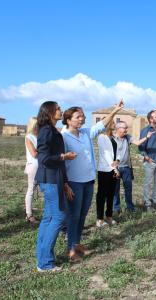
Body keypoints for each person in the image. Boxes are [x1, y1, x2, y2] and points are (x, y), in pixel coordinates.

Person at [61, 100, 124, 262]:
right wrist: (65, 183)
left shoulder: (85, 132)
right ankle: (70, 250)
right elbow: (60, 162)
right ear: (68, 120)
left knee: (82, 215)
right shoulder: (63, 136)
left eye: (82, 116)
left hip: (88, 180)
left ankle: (77, 243)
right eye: (77, 117)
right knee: (73, 215)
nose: (81, 119)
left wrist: (115, 110)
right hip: (74, 182)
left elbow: (101, 125)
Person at [35, 101, 77, 272]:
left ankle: (42, 258)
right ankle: (45, 263)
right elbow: (43, 158)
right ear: (50, 112)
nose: (60, 110)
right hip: (50, 180)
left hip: (55, 179)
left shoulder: (51, 130)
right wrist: (63, 156)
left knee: (48, 218)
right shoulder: (46, 131)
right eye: (58, 108)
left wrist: (65, 182)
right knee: (59, 218)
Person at [112, 121, 154, 215]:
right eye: (124, 128)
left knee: (128, 188)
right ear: (118, 128)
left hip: (126, 167)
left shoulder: (127, 137)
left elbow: (138, 143)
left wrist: (147, 137)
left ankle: (130, 207)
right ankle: (116, 208)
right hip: (115, 168)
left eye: (127, 128)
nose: (126, 130)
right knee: (115, 189)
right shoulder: (112, 138)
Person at [95, 119, 120, 227]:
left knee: (111, 194)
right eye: (113, 122)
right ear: (108, 124)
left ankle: (109, 216)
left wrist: (118, 160)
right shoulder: (102, 137)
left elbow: (117, 152)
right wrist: (115, 168)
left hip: (113, 168)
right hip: (105, 170)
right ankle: (99, 219)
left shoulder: (114, 138)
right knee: (102, 195)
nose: (115, 124)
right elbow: (106, 155)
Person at [24, 117, 39, 224]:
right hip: (34, 166)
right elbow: (34, 154)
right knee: (31, 190)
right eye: (37, 124)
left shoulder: (39, 136)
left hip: (41, 166)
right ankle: (29, 214)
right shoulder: (29, 137)